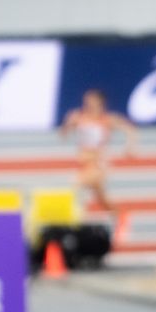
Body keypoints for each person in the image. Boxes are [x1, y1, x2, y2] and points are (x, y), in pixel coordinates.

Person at [60, 88, 138, 217]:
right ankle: (122, 217)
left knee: (74, 185)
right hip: (83, 163)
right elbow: (63, 136)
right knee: (103, 201)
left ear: (100, 103)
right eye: (86, 100)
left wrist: (129, 147)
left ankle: (76, 223)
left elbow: (130, 129)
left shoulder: (107, 119)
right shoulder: (79, 117)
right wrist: (67, 124)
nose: (86, 103)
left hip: (98, 165)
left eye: (91, 100)